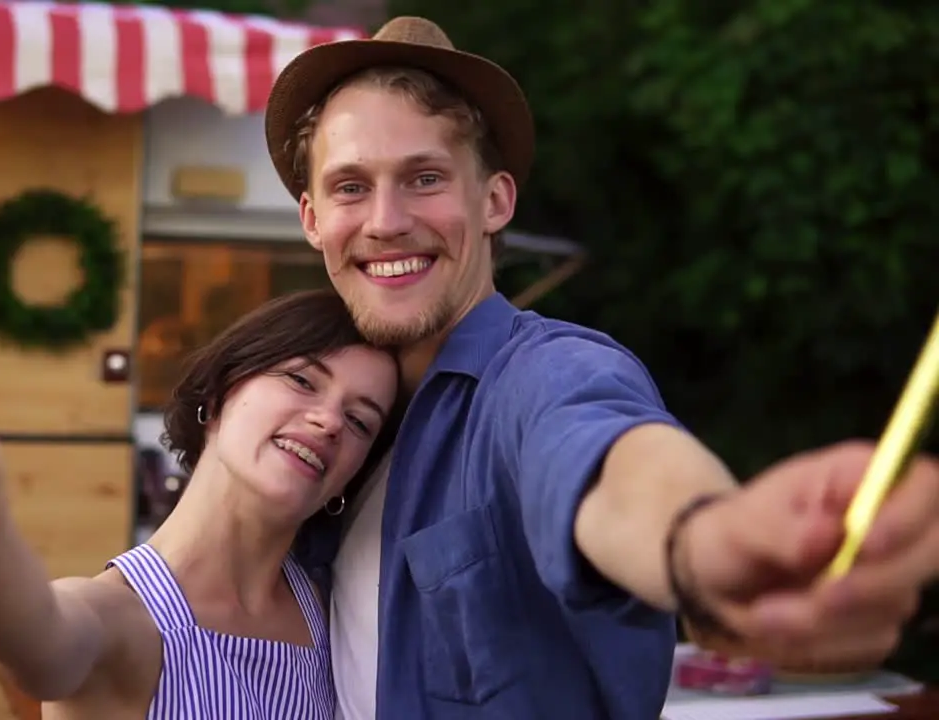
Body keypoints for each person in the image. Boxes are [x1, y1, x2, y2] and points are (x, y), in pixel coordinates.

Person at [263, 15, 939, 719]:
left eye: (424, 177)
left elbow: (605, 457)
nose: (385, 220)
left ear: (494, 201)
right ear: (312, 219)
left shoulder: (546, 373)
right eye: (350, 187)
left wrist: (705, 541)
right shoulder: (339, 419)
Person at [0, 289, 401, 719]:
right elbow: (39, 646)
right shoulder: (126, 619)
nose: (328, 421)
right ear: (220, 394)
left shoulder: (332, 609)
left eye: (359, 420)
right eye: (302, 380)